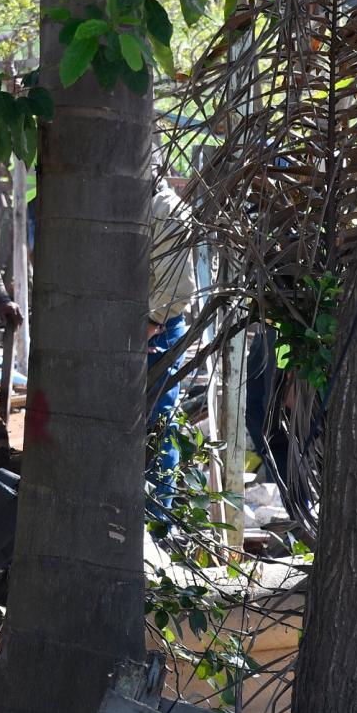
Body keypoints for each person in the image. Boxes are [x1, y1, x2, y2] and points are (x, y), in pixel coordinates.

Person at [146, 164, 201, 509]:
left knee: (158, 426)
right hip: (144, 326)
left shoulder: (167, 210)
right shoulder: (149, 205)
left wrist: (151, 322)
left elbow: (179, 288)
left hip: (158, 329)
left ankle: (158, 519)